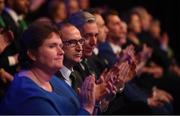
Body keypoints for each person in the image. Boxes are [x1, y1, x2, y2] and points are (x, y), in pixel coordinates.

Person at [0, 20, 96, 115]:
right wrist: (87, 108)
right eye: (52, 46)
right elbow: (83, 108)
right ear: (32, 54)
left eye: (61, 46)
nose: (61, 51)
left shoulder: (52, 80)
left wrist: (95, 100)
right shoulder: (28, 94)